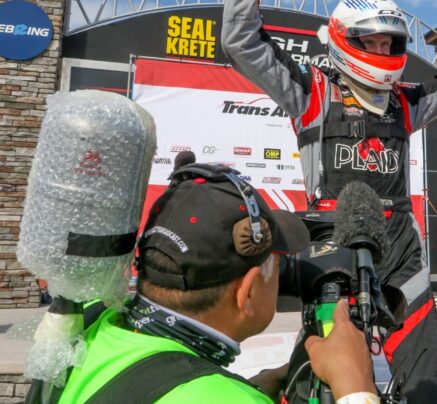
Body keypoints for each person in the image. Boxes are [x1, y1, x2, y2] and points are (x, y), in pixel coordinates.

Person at [222, 0, 437, 402]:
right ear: (343, 39)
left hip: (400, 253)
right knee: (316, 386)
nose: (383, 52)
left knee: (429, 388)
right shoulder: (310, 91)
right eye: (370, 42)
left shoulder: (407, 102)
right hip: (330, 250)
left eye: (391, 44)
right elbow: (241, 40)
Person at [56, 164, 378, 403]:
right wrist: (356, 387)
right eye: (277, 263)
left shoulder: (83, 322)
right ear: (248, 292)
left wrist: (241, 386)